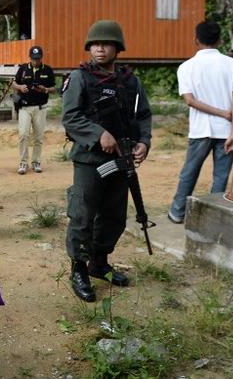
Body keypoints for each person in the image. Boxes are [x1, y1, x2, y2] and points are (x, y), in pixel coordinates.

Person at [61, 20, 152, 302]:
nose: (99, 48)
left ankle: (99, 263)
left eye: (106, 44)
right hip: (91, 160)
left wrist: (143, 142)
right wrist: (99, 133)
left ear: (117, 47)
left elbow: (143, 116)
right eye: (95, 44)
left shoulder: (130, 82)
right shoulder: (80, 78)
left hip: (122, 160)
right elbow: (71, 117)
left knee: (115, 215)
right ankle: (79, 268)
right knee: (83, 215)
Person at [167, 21, 233, 224]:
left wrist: (220, 113)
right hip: (226, 132)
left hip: (200, 130)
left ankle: (177, 211)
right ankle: (213, 216)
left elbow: (190, 100)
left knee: (189, 173)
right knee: (220, 176)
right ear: (219, 39)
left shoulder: (186, 67)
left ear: (196, 40)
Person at [11, 46, 56, 174]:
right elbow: (14, 83)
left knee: (38, 137)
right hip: (25, 107)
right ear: (29, 58)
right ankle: (23, 163)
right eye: (34, 59)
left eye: (38, 59)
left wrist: (45, 89)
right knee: (23, 135)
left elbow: (54, 88)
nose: (36, 61)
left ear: (41, 58)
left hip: (40, 108)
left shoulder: (47, 70)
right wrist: (20, 87)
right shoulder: (23, 69)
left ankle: (36, 162)